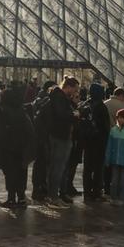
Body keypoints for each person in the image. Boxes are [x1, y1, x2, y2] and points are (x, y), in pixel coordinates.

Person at [42, 77, 79, 208]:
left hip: (60, 135)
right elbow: (62, 115)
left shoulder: (59, 97)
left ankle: (54, 196)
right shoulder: (59, 97)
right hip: (60, 136)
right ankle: (53, 197)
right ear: (69, 87)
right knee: (57, 168)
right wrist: (74, 115)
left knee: (57, 168)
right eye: (75, 88)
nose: (75, 92)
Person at [0, 86, 33, 208]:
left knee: (10, 173)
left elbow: (1, 131)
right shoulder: (22, 111)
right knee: (21, 173)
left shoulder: (3, 111)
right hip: (22, 148)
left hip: (8, 148)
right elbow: (30, 130)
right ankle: (21, 198)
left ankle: (11, 198)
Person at [80, 83, 111, 202]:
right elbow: (105, 127)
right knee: (98, 168)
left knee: (87, 168)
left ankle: (87, 193)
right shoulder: (101, 107)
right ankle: (96, 192)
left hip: (88, 141)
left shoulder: (86, 105)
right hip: (99, 142)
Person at [104, 107, 124, 207]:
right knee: (114, 180)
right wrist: (107, 159)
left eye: (122, 118)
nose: (119, 120)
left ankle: (122, 198)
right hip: (115, 160)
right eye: (118, 118)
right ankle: (114, 198)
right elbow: (109, 146)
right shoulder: (113, 130)